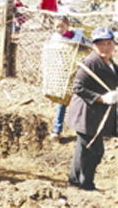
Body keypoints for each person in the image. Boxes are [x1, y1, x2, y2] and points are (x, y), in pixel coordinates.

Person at [66, 26, 117, 190]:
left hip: (96, 114)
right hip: (86, 113)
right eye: (101, 44)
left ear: (114, 45)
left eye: (109, 43)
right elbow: (78, 87)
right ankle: (86, 185)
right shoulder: (90, 62)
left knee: (84, 149)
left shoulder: (110, 63)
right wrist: (101, 98)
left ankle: (74, 181)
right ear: (93, 46)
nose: (105, 47)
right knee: (93, 150)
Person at [48, 15, 90, 140]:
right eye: (57, 26)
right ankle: (57, 129)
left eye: (62, 26)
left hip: (78, 71)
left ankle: (82, 129)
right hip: (63, 73)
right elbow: (54, 54)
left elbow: (87, 45)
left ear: (67, 25)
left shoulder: (77, 35)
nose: (59, 29)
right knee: (62, 101)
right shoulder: (55, 39)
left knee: (80, 100)